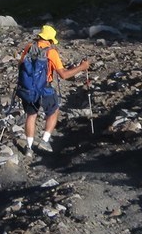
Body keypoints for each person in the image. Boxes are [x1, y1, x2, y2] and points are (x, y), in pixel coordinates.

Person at [18, 24, 90, 153]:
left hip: (28, 88)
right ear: (50, 40)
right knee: (53, 111)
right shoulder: (51, 52)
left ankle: (28, 148)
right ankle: (44, 141)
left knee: (31, 115)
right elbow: (64, 75)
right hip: (45, 88)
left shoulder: (29, 47)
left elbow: (20, 65)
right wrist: (82, 67)